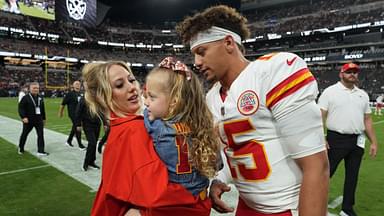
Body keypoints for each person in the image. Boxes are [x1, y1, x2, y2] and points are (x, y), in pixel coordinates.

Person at [176, 5, 329, 216]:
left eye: (202, 52)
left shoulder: (273, 72)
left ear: (228, 43)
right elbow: (240, 149)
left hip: (286, 209)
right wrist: (221, 178)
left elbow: (316, 166)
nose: (197, 62)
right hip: (247, 207)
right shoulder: (212, 97)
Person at [82, 61, 215, 216]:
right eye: (119, 85)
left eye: (131, 80)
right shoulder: (134, 130)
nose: (132, 87)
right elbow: (159, 195)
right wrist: (201, 197)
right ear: (102, 96)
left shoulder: (124, 128)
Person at [142, 56, 220, 211]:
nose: (146, 102)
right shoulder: (203, 125)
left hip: (171, 205)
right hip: (201, 204)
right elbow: (217, 165)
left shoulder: (155, 125)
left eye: (152, 97)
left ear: (174, 101)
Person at [318, 63, 378, 216]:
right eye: (349, 71)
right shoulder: (330, 92)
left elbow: (367, 120)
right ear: (341, 74)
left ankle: (347, 209)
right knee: (325, 174)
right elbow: (320, 117)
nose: (352, 74)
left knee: (352, 176)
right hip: (335, 139)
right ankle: (314, 204)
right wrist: (320, 138)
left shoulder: (362, 95)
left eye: (355, 72)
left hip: (357, 140)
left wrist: (374, 142)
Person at [18, 82, 49, 156]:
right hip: (28, 120)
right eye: (34, 88)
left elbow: (42, 108)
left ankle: (40, 151)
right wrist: (23, 117)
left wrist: (44, 118)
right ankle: (21, 148)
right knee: (25, 134)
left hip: (39, 120)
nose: (36, 89)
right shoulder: (26, 98)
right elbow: (21, 108)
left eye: (37, 88)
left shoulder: (40, 97)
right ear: (30, 89)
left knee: (40, 135)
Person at [75, 95, 102, 171]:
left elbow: (101, 111)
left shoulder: (98, 98)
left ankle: (92, 162)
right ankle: (86, 163)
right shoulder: (84, 98)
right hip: (87, 124)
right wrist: (78, 124)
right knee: (92, 143)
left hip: (97, 124)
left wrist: (105, 123)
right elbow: (78, 111)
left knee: (94, 143)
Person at [58, 80, 86, 150]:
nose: (77, 85)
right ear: (73, 86)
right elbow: (63, 104)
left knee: (75, 127)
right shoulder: (70, 94)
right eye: (76, 84)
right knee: (78, 127)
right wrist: (60, 112)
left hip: (81, 114)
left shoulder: (81, 93)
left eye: (79, 84)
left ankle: (69, 141)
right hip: (73, 114)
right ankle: (80, 145)